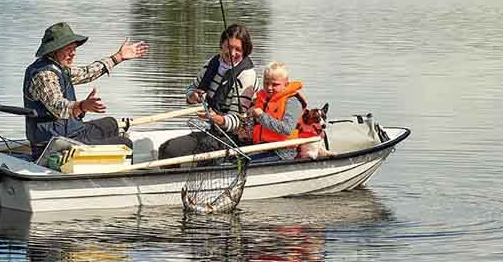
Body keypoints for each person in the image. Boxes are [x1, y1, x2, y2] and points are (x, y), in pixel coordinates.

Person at [23, 22, 148, 159]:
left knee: (110, 124)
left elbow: (86, 73)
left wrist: (118, 57)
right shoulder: (44, 75)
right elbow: (58, 107)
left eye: (74, 48)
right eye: (68, 49)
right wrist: (82, 106)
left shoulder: (59, 67)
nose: (73, 53)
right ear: (53, 51)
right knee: (125, 143)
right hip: (54, 144)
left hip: (67, 133)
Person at [157, 23, 260, 160]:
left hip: (235, 138)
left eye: (238, 49)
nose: (232, 53)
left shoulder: (246, 75)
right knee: (165, 148)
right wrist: (192, 96)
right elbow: (191, 89)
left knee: (171, 151)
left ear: (245, 51)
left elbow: (238, 121)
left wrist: (216, 118)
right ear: (221, 45)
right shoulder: (213, 63)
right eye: (229, 47)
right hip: (213, 130)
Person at [247, 61, 306, 162]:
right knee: (234, 157)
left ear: (286, 84)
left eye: (275, 85)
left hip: (283, 151)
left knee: (245, 162)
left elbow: (287, 129)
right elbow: (258, 126)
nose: (269, 88)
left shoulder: (292, 101)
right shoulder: (262, 98)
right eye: (266, 83)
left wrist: (261, 116)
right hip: (262, 147)